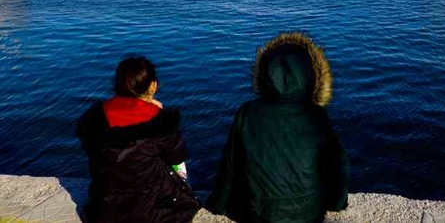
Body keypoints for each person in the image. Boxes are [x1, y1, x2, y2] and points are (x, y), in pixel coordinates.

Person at [207, 32, 349, 223]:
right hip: (309, 213)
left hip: (259, 214)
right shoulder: (316, 115)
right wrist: (337, 203)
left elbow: (230, 165)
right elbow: (338, 165)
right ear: (310, 74)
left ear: (265, 74)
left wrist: (219, 204)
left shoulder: (248, 112)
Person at [76, 56, 200, 223]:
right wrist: (160, 113)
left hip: (104, 208)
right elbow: (178, 155)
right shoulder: (159, 122)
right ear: (153, 86)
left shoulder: (95, 118)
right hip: (146, 212)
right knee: (174, 168)